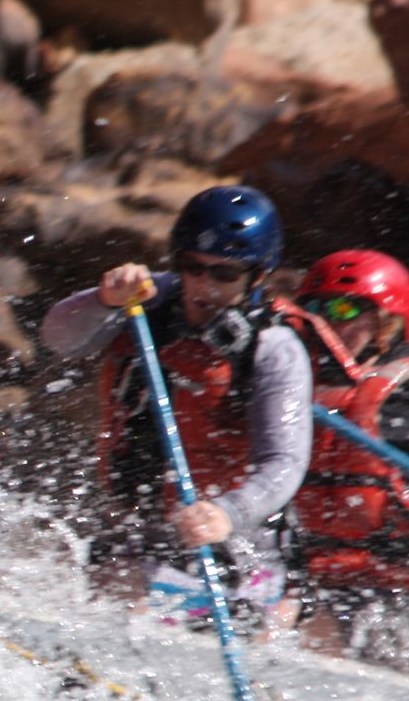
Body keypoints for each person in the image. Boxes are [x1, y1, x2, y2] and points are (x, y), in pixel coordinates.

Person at [40, 185, 312, 629]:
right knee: (106, 602)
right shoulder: (146, 301)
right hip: (144, 526)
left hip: (233, 543)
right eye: (192, 267)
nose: (204, 286)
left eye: (224, 274)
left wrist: (228, 512)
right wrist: (102, 300)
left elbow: (284, 463)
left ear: (257, 276)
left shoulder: (275, 349)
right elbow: (59, 339)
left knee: (139, 616)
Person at [289, 249, 409, 661]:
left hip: (399, 595)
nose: (328, 320)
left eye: (346, 307)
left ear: (388, 324)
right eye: (314, 308)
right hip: (302, 583)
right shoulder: (281, 384)